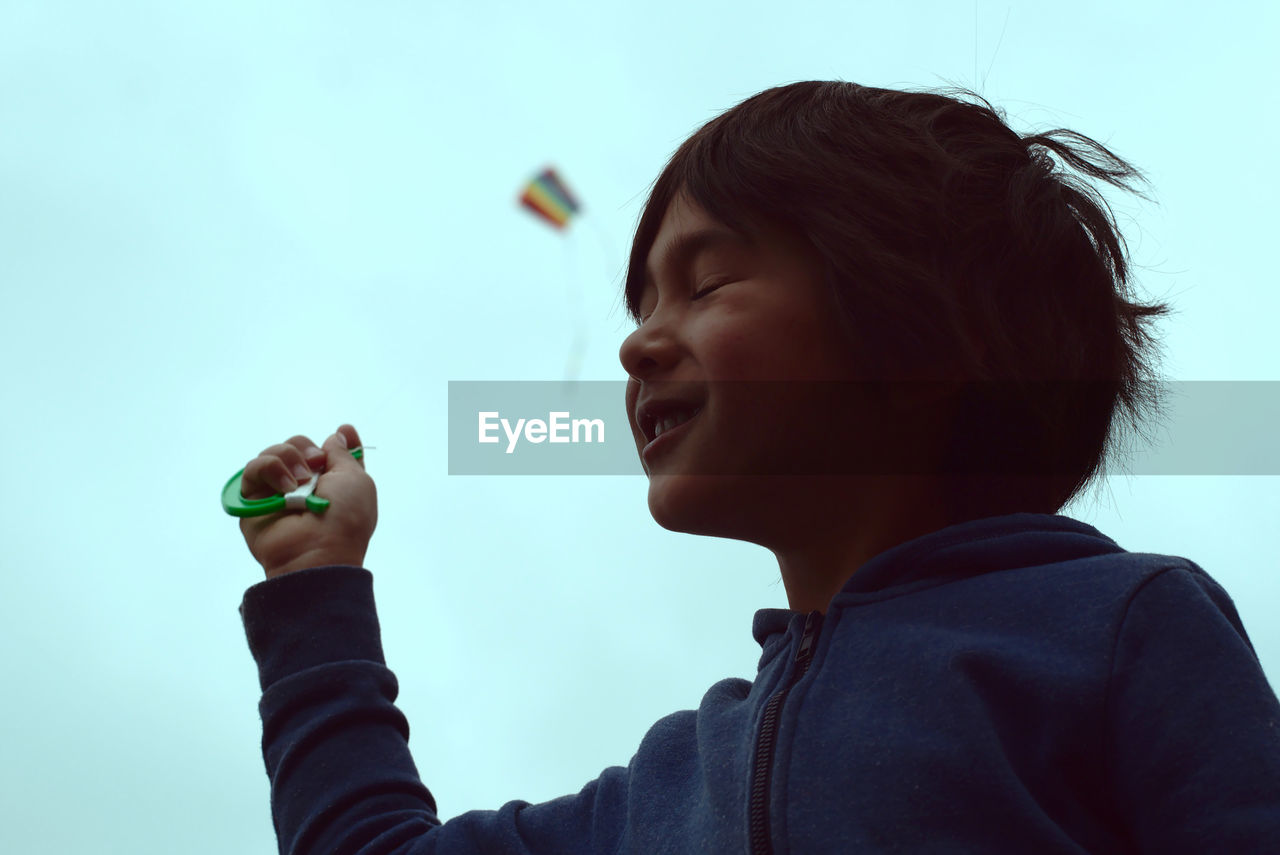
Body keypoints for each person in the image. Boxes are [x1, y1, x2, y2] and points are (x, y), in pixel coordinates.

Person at [234, 81, 1280, 854]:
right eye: (640, 304)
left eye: (709, 281)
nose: (636, 346)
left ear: (920, 344)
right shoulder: (664, 791)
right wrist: (313, 582)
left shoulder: (1121, 629)